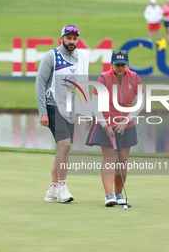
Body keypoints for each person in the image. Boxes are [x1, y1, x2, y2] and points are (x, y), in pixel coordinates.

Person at [35, 25, 90, 203]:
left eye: (75, 38)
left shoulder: (81, 58)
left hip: (70, 109)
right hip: (53, 106)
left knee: (61, 148)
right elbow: (40, 83)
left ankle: (52, 189)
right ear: (62, 39)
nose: (72, 41)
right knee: (65, 145)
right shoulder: (52, 56)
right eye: (69, 38)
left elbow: (82, 84)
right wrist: (43, 112)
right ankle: (62, 187)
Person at [85, 50, 145, 207]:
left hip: (126, 125)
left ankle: (119, 193)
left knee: (123, 160)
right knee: (110, 157)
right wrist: (105, 126)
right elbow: (95, 104)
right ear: (112, 64)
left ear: (127, 64)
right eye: (117, 65)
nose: (120, 68)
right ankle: (108, 194)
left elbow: (140, 103)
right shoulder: (104, 78)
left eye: (123, 64)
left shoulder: (135, 77)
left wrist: (127, 119)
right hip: (106, 122)